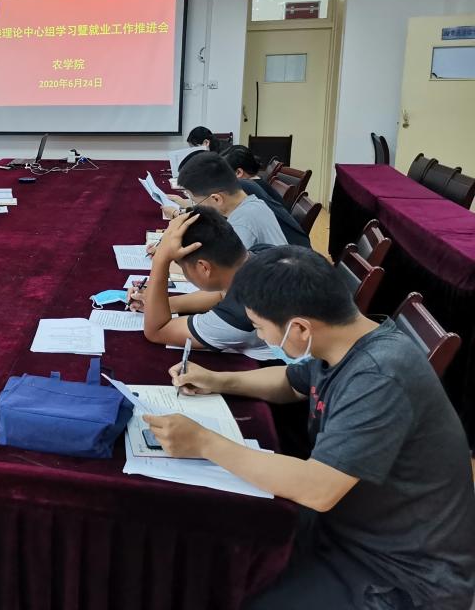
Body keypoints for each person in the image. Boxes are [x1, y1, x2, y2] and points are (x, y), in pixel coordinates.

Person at [147, 247, 475, 610]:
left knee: (230, 589)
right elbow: (291, 382)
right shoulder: (343, 341)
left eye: (260, 327)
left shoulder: (379, 376)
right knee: (206, 554)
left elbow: (318, 489)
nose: (262, 337)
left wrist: (205, 443)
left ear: (300, 328)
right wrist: (218, 380)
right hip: (345, 527)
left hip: (399, 574)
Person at [130, 209, 273, 359]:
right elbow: (221, 294)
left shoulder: (234, 318)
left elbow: (157, 330)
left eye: (181, 266)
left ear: (203, 267)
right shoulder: (263, 252)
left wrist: (161, 260)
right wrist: (162, 304)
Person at [177, 152, 288, 248]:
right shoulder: (253, 204)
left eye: (196, 203)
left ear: (216, 199)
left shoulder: (242, 223)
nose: (197, 207)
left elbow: (222, 265)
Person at [221, 145, 311, 248]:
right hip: (294, 246)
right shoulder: (256, 183)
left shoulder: (245, 189)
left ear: (239, 172)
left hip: (290, 250)